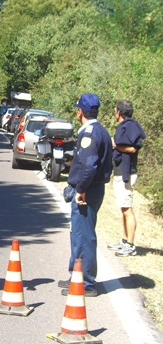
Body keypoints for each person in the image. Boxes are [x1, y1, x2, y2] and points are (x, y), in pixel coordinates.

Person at [58, 93, 112, 297]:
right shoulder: (100, 130)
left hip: (88, 190)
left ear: (79, 111)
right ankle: (76, 275)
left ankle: (86, 282)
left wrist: (80, 189)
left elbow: (89, 166)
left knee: (84, 235)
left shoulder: (89, 133)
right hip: (91, 187)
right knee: (78, 233)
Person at [107, 100, 146, 257]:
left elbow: (132, 147)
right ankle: (124, 240)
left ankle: (130, 245)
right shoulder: (127, 126)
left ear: (118, 112)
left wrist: (115, 145)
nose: (114, 112)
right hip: (122, 171)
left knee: (127, 209)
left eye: (115, 110)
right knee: (123, 208)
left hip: (127, 173)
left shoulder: (129, 126)